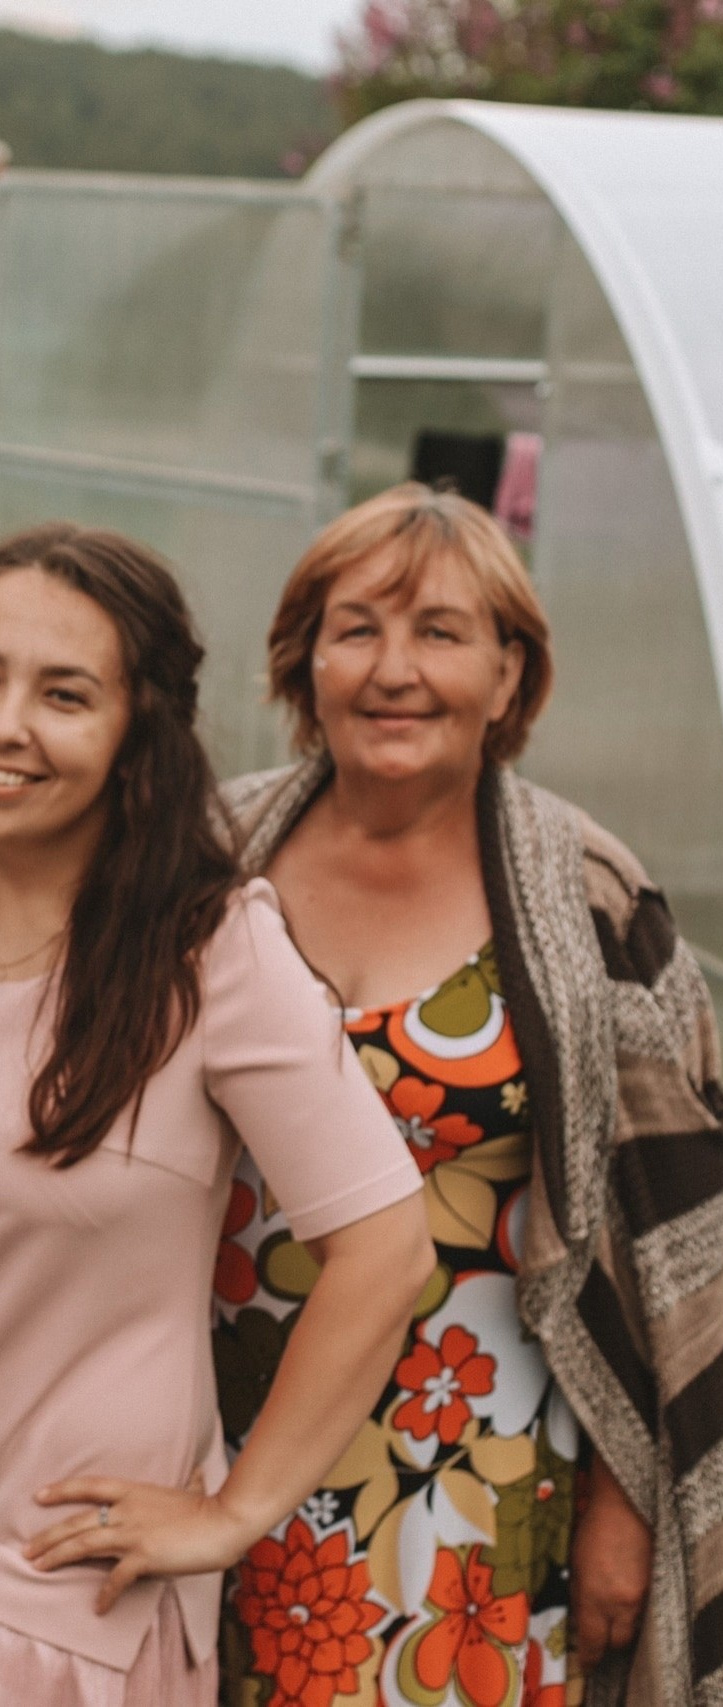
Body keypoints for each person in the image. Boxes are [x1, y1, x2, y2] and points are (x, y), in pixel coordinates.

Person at [0, 523, 435, 1707]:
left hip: (59, 1603)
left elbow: (385, 1246)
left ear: (137, 740)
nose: (3, 727)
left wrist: (232, 1515)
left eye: (64, 695)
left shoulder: (213, 950)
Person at [213, 483, 722, 1705]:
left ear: (509, 676)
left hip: (483, 1467)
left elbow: (674, 1230)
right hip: (218, 1429)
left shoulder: (590, 894)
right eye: (357, 629)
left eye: (440, 632)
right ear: (303, 662)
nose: (396, 670)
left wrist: (620, 1502)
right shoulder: (208, 849)